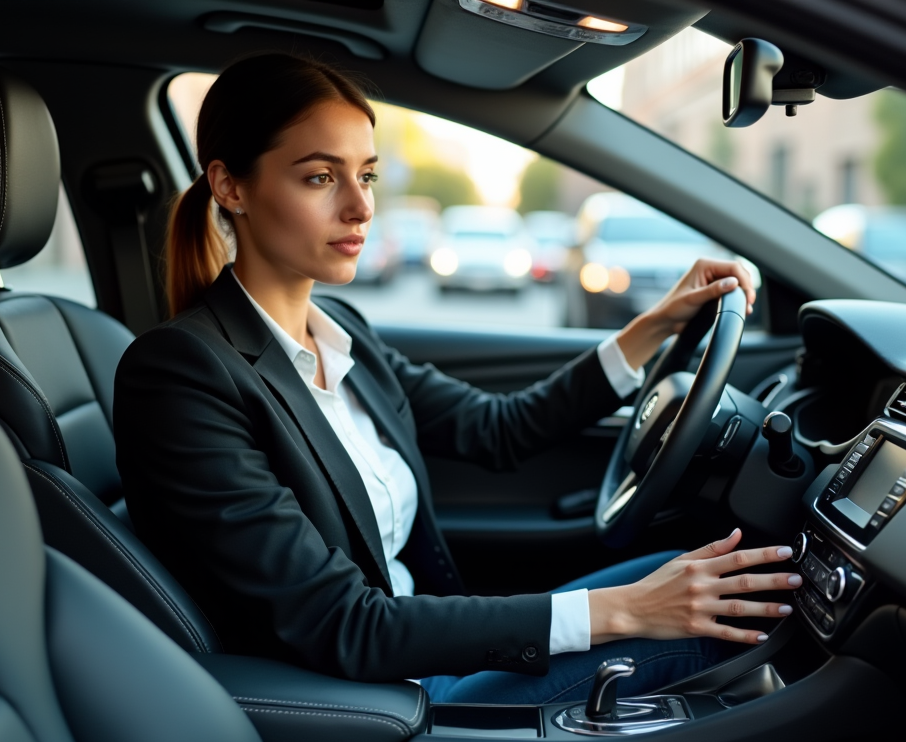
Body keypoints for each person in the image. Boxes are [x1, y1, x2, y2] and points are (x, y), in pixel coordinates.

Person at [114, 53, 800, 705]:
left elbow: (498, 429)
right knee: (736, 618)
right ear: (231, 186)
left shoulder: (341, 329)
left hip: (421, 655)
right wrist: (623, 612)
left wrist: (654, 325)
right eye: (320, 177)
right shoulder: (184, 374)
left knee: (712, 580)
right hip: (379, 700)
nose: (360, 207)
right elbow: (344, 625)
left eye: (368, 174)